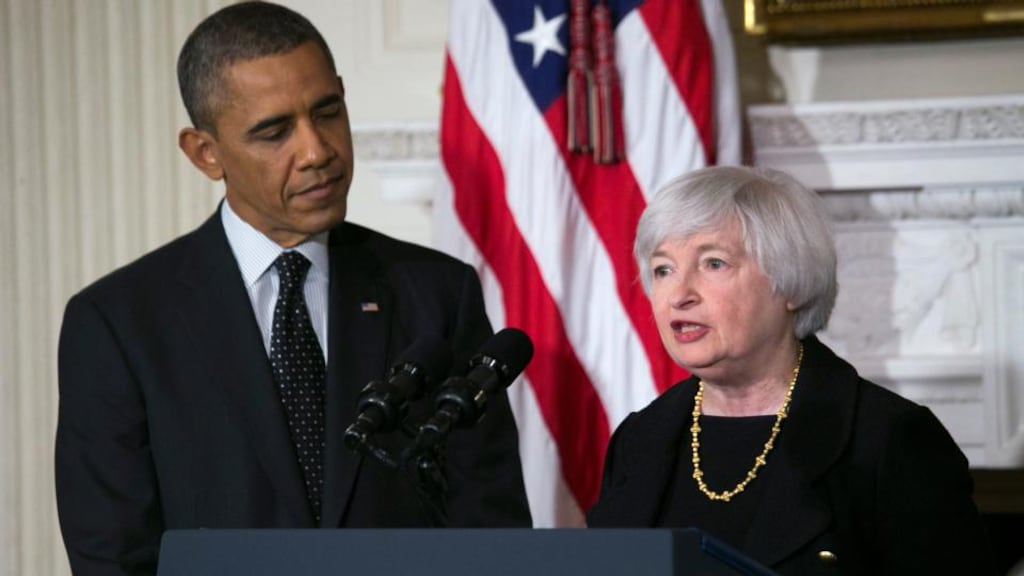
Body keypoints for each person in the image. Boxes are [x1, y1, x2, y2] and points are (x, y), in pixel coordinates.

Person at [55, 2, 531, 574]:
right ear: (205, 153)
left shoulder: (437, 293)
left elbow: (492, 528)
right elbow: (114, 557)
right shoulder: (118, 324)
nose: (317, 151)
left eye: (327, 112)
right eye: (274, 131)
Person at [586, 166, 994, 574]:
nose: (679, 295)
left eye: (713, 263)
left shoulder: (888, 439)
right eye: (663, 270)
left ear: (791, 283)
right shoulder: (641, 439)